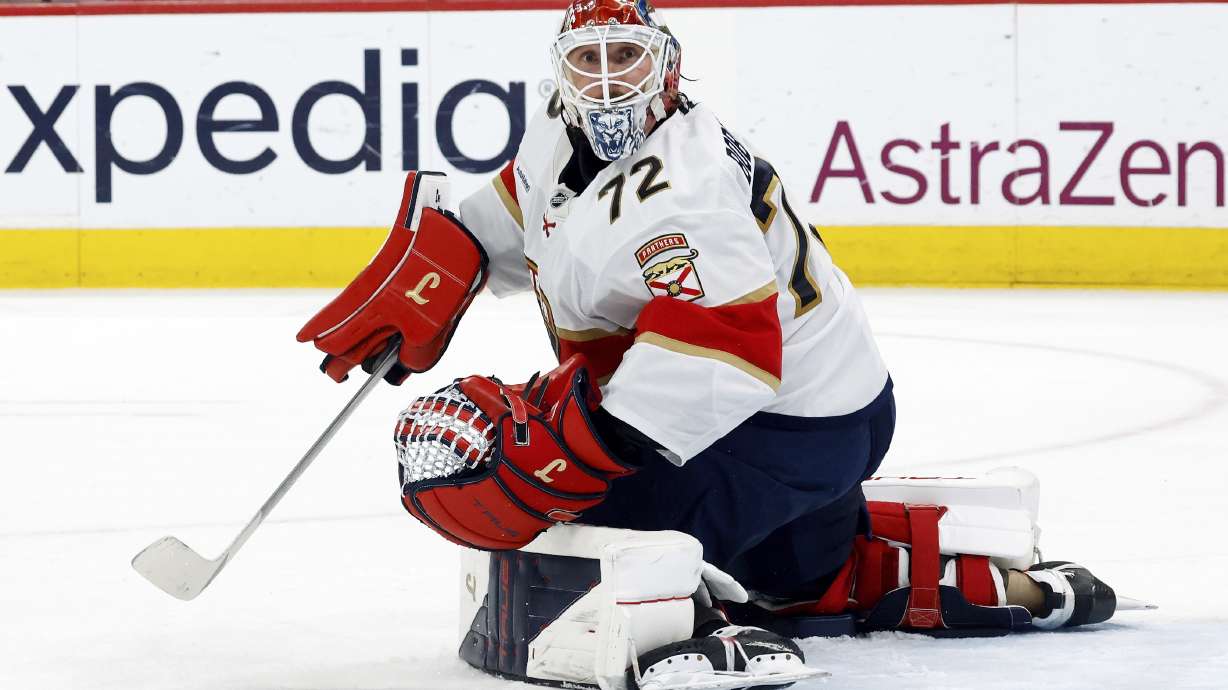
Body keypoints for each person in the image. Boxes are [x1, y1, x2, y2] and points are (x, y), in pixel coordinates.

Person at [299, 2, 1122, 688]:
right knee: (786, 567)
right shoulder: (558, 124)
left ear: (668, 65)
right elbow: (528, 205)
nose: (610, 77)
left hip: (792, 425)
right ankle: (846, 569)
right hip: (812, 404)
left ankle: (703, 624)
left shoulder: (686, 190)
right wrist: (451, 259)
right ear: (562, 72)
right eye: (589, 60)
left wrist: (582, 449)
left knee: (595, 521)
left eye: (629, 55)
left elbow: (725, 355)